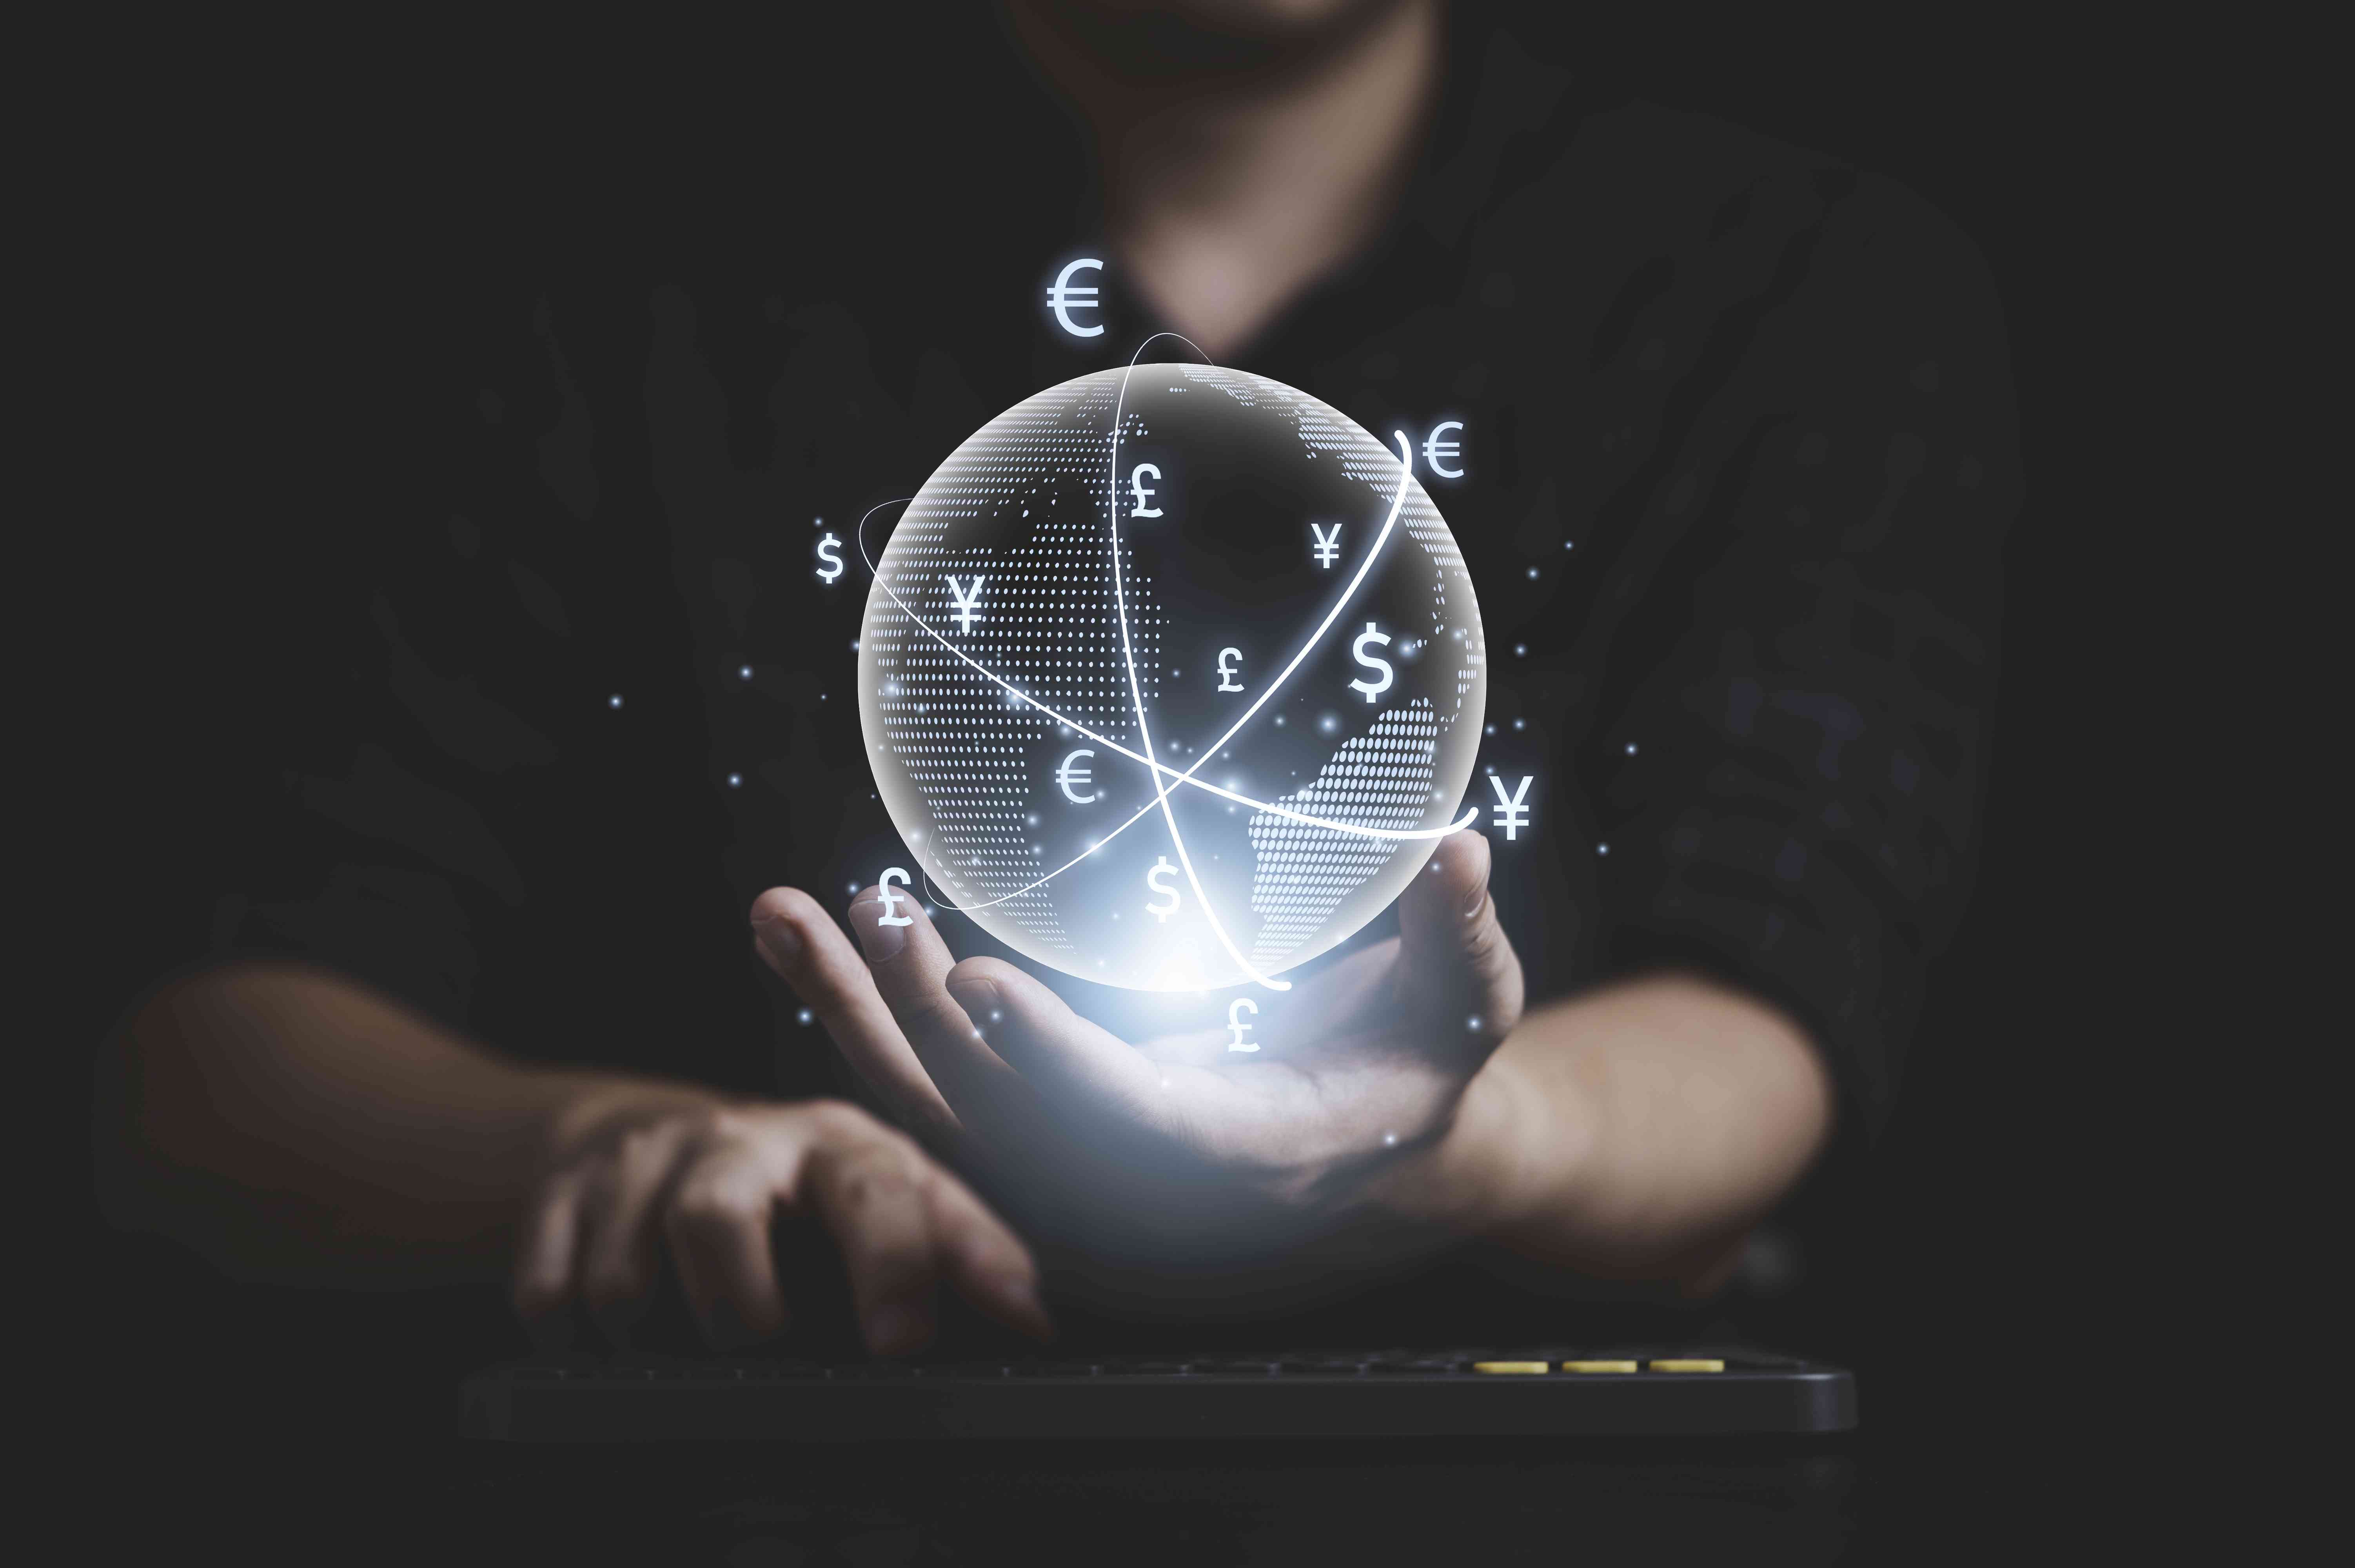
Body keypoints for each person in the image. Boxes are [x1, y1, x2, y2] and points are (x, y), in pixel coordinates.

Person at [93, 0, 2016, 1370]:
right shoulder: (596, 267)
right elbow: (203, 1066)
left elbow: (1768, 1019)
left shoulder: (1809, 288)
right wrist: (613, 1149)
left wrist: (1430, 1140)